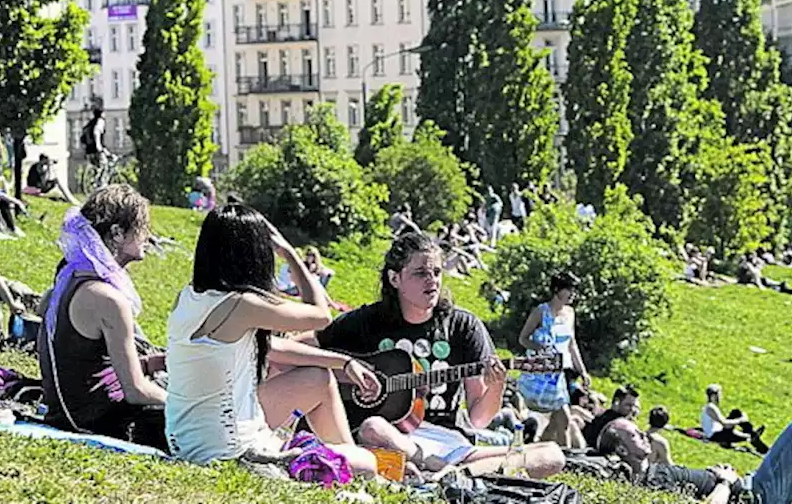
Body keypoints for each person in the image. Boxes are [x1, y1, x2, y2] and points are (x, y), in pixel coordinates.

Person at [314, 232, 564, 477]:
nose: (432, 281)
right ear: (394, 278)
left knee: (552, 454)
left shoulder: (463, 326)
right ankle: (452, 474)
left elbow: (478, 420)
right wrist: (347, 372)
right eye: (420, 273)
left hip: (448, 442)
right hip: (390, 435)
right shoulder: (365, 322)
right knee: (373, 427)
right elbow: (308, 348)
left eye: (436, 272)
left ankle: (450, 473)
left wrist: (496, 386)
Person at [163, 204, 377, 474]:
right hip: (226, 450)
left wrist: (343, 362)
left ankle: (339, 461)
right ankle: (341, 462)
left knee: (317, 379)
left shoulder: (189, 297)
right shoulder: (241, 305)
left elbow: (273, 348)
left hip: (187, 437)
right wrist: (290, 254)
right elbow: (322, 315)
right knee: (368, 462)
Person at [38, 185, 168, 450]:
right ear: (117, 233)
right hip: (98, 421)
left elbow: (86, 365)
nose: (148, 236)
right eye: (142, 227)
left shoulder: (71, 278)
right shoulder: (107, 299)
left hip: (68, 412)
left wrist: (157, 362)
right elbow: (135, 391)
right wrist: (189, 404)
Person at [598, 417, 792, 504]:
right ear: (621, 450)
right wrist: (724, 481)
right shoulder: (649, 482)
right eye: (633, 434)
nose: (643, 433)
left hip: (752, 484)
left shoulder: (655, 471)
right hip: (755, 494)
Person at [517, 272, 591, 447]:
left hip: (557, 376)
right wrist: (541, 348)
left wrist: (583, 372)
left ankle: (556, 455)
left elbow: (572, 344)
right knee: (558, 418)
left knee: (563, 420)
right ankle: (556, 455)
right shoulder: (540, 312)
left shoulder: (570, 313)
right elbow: (523, 339)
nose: (573, 294)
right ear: (557, 290)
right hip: (538, 374)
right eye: (569, 290)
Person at [700, 384, 766, 451]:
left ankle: (752, 436)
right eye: (719, 394)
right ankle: (753, 437)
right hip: (717, 436)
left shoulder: (711, 407)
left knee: (736, 414)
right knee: (736, 414)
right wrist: (741, 420)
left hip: (719, 433)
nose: (720, 397)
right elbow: (725, 424)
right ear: (714, 396)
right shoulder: (710, 407)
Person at [583, 384, 641, 450]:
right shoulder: (611, 423)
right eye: (628, 405)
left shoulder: (625, 420)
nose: (632, 409)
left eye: (634, 406)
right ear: (617, 402)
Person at [82, 104, 108, 168]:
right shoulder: (100, 121)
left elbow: (84, 130)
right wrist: (98, 146)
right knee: (104, 165)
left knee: (95, 169)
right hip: (96, 150)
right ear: (101, 113)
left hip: (89, 150)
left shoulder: (91, 122)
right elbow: (96, 132)